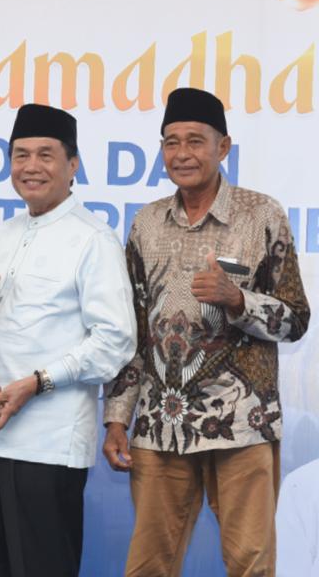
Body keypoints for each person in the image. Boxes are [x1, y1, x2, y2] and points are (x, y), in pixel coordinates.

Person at [102, 87, 311, 576]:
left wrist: (238, 300)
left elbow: (296, 319)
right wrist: (117, 417)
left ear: (224, 147)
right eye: (171, 142)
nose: (182, 154)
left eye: (195, 141)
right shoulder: (146, 223)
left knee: (251, 565)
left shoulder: (262, 216)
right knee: (147, 566)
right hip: (160, 426)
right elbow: (134, 330)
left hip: (241, 425)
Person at [0, 104, 135, 576]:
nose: (31, 166)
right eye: (21, 154)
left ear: (73, 165)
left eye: (45, 155)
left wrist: (39, 381)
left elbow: (115, 341)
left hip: (45, 445)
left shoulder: (93, 239)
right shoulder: (2, 234)